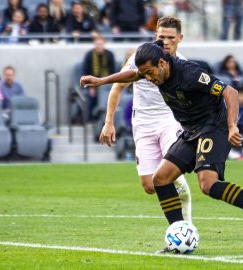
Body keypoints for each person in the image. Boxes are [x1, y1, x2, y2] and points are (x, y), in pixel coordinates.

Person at [80, 39, 243, 243]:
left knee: (207, 184)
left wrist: (232, 126)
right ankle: (179, 236)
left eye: (150, 73)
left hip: (213, 127)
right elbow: (133, 74)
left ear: (162, 63)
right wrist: (100, 81)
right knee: (160, 179)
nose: (148, 79)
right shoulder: (150, 70)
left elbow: (230, 92)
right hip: (190, 130)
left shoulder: (189, 73)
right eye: (145, 74)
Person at [83, 17, 192, 221]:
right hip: (142, 123)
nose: (166, 41)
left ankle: (182, 228)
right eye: (162, 37)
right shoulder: (140, 58)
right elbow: (117, 87)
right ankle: (179, 188)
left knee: (167, 172)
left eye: (170, 37)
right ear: (155, 36)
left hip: (170, 120)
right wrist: (109, 122)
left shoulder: (182, 64)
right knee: (150, 186)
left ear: (179, 38)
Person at [82, 35, 116, 120]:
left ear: (104, 44)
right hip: (92, 84)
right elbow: (85, 72)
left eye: (101, 44)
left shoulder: (109, 54)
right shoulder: (89, 55)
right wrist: (90, 87)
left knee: (104, 90)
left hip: (107, 82)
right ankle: (92, 118)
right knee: (92, 96)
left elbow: (113, 72)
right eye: (97, 44)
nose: (99, 46)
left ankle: (103, 113)